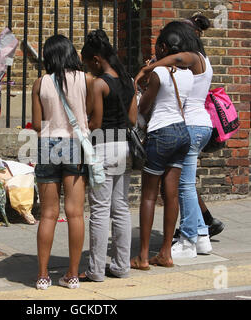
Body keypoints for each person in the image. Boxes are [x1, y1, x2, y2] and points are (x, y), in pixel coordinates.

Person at [32, 34, 94, 289]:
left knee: (48, 214)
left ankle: (43, 275)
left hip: (48, 144)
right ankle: (72, 274)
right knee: (75, 213)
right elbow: (87, 116)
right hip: (76, 145)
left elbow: (37, 124)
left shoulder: (40, 83)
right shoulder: (86, 80)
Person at [130, 22, 193, 270]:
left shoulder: (158, 74)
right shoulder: (188, 74)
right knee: (172, 195)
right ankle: (165, 252)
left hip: (161, 133)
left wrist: (139, 82)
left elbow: (143, 108)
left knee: (148, 196)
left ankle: (143, 256)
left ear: (164, 47)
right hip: (182, 133)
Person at [78, 29, 137, 282]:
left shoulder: (100, 84)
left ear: (96, 60)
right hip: (124, 147)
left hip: (102, 148)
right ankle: (122, 266)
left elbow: (97, 123)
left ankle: (96, 270)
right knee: (121, 208)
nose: (87, 69)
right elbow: (133, 119)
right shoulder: (128, 81)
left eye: (86, 64)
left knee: (100, 211)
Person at [183, 13, 225, 238]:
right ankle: (203, 224)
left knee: (184, 184)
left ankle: (194, 233)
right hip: (202, 123)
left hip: (191, 124)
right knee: (185, 180)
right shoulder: (203, 59)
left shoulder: (190, 59)